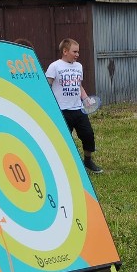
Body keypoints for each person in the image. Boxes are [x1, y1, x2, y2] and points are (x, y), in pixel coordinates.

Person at [45, 38, 102, 173]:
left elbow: (79, 86)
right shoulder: (55, 66)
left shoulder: (78, 66)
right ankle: (61, 167)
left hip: (79, 110)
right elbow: (47, 86)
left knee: (88, 135)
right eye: (74, 51)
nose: (77, 54)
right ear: (65, 51)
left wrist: (86, 98)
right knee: (64, 141)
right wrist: (50, 106)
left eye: (78, 52)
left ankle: (87, 161)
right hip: (62, 111)